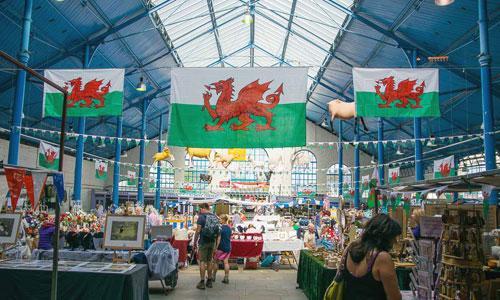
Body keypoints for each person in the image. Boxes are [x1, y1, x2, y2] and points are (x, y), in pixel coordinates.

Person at [342, 214, 402, 300]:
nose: (395, 242)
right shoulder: (382, 258)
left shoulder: (350, 249)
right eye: (393, 237)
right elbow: (394, 297)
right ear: (385, 236)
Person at [193, 203, 220, 290]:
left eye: (200, 209)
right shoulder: (215, 217)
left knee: (202, 262)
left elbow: (198, 231)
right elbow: (218, 231)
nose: (200, 210)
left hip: (203, 242)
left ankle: (201, 282)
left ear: (204, 208)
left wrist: (195, 241)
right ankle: (209, 281)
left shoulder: (201, 217)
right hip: (212, 242)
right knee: (209, 261)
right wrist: (216, 244)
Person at [214, 214, 231, 284]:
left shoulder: (220, 228)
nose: (219, 220)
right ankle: (226, 277)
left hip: (220, 247)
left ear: (224, 220)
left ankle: (213, 276)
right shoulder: (229, 228)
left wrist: (216, 247)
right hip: (228, 246)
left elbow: (218, 239)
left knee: (215, 262)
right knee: (226, 262)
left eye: (220, 219)